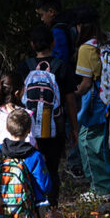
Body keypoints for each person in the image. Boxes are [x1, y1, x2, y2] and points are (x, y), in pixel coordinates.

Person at [20, 24, 79, 208]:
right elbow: (70, 101)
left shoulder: (24, 67)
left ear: (32, 45)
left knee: (29, 166)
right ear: (53, 43)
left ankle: (32, 207)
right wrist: (74, 128)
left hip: (28, 127)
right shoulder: (61, 67)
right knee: (52, 168)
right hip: (55, 126)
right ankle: (52, 209)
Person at [74, 14, 110, 205]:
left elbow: (86, 83)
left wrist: (73, 93)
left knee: (88, 141)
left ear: (80, 26)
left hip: (96, 99)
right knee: (109, 143)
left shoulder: (86, 48)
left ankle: (99, 188)